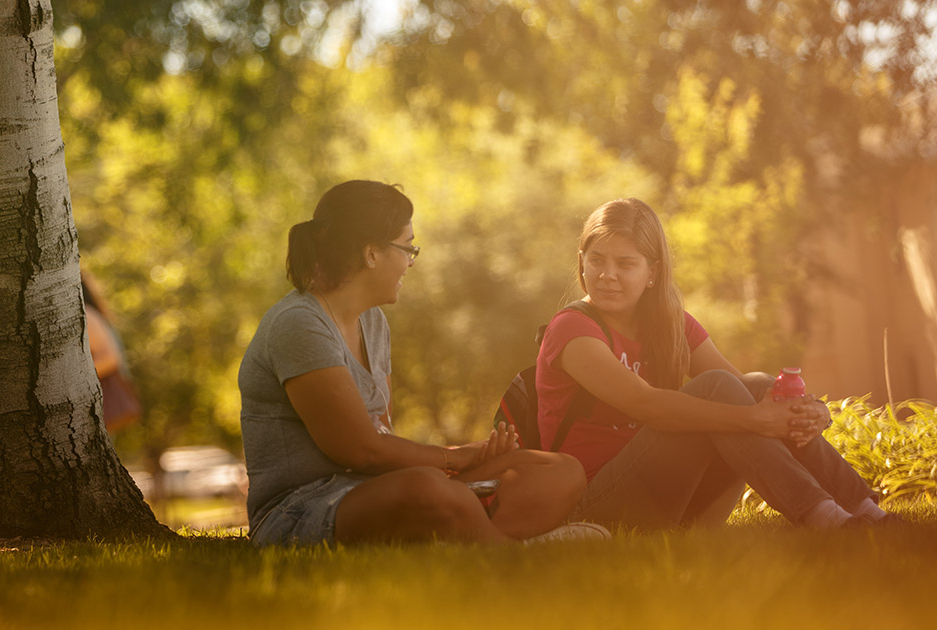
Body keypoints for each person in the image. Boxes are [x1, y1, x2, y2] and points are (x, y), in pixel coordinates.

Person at [238, 180, 601, 546]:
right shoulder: (299, 324)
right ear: (371, 253)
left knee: (559, 470)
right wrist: (455, 459)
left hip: (372, 489)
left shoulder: (373, 321)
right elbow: (357, 449)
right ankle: (510, 554)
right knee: (427, 487)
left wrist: (470, 459)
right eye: (407, 248)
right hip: (302, 510)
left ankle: (468, 538)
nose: (410, 261)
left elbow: (381, 434)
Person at [535, 198, 897, 530]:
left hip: (673, 492)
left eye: (625, 263)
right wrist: (756, 419)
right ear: (581, 259)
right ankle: (825, 518)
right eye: (596, 259)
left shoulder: (669, 324)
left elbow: (748, 393)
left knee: (754, 385)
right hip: (597, 507)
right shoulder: (573, 329)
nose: (606, 274)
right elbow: (646, 405)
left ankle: (866, 509)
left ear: (653, 272)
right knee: (718, 388)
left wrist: (811, 410)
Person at [82, 271, 142, 434]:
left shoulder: (86, 315)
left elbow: (110, 358)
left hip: (98, 407)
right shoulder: (90, 313)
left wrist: (72, 381)